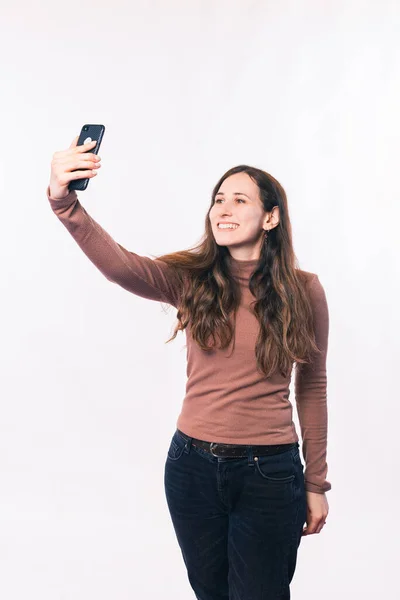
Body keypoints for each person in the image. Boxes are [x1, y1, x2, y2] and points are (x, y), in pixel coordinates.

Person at [47, 136, 330, 600]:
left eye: (240, 200)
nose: (224, 208)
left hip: (270, 473)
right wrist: (65, 203)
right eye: (219, 199)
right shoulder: (192, 281)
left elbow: (312, 385)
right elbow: (121, 266)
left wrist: (316, 483)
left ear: (271, 217)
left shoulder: (304, 290)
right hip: (191, 468)